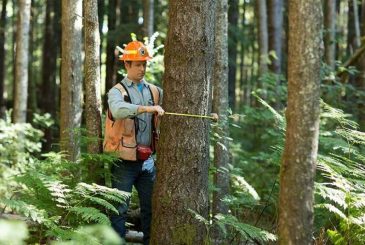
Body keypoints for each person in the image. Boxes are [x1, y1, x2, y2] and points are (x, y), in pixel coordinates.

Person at [104, 40, 164, 245]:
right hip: (123, 162)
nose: (142, 68)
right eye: (137, 64)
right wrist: (145, 109)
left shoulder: (155, 91)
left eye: (144, 64)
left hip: (148, 162)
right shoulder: (116, 92)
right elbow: (119, 110)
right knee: (119, 211)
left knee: (151, 209)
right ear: (126, 65)